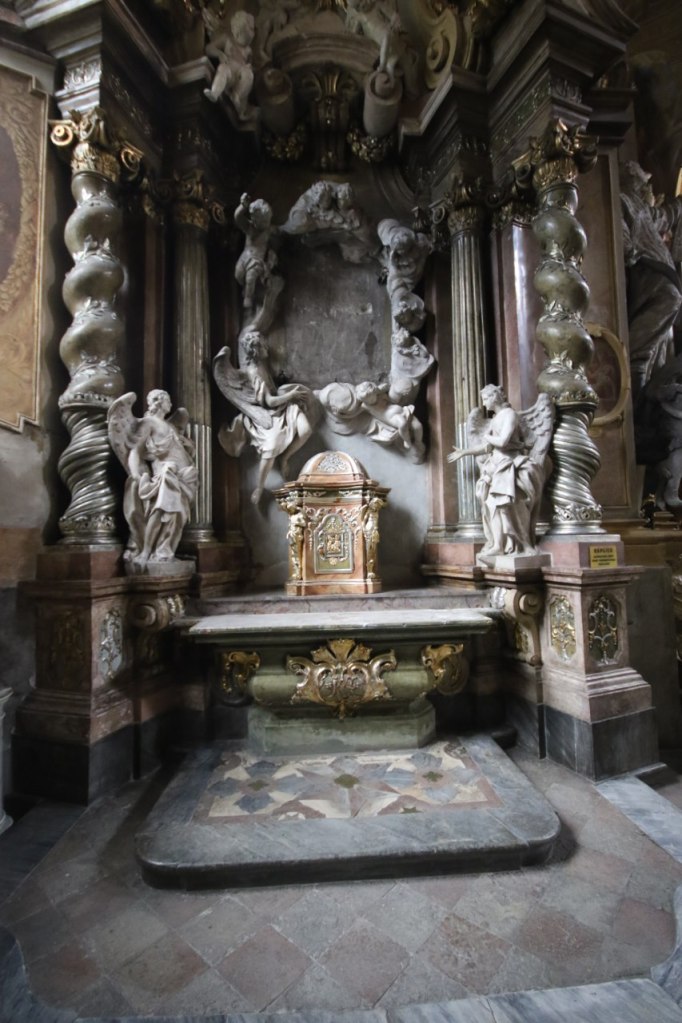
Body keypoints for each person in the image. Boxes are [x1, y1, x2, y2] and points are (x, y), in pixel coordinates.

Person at [448, 385, 550, 560]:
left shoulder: (509, 415)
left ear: (494, 397)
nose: (484, 403)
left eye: (485, 399)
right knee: (492, 507)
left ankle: (524, 544)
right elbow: (487, 448)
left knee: (509, 507)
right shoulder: (496, 419)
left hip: (509, 466)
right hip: (494, 467)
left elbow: (502, 442)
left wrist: (487, 436)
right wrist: (465, 452)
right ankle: (497, 545)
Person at [214, 333, 315, 505]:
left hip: (283, 408)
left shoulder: (261, 365)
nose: (266, 348)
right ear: (255, 350)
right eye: (262, 345)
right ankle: (260, 487)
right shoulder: (253, 372)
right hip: (267, 413)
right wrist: (291, 395)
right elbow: (268, 401)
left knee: (306, 430)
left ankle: (285, 457)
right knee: (271, 446)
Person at [108, 390, 198, 569]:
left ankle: (164, 551)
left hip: (184, 476)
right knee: (160, 512)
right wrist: (135, 474)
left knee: (178, 516)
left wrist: (188, 447)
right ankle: (146, 551)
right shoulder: (148, 422)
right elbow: (135, 451)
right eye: (168, 400)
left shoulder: (170, 427)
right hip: (166, 473)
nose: (170, 404)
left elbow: (178, 449)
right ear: (159, 401)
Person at [620, 160, 682, 401]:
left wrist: (679, 204)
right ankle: (633, 365)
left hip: (659, 272)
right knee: (670, 299)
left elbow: (664, 217)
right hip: (646, 271)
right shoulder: (621, 199)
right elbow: (618, 230)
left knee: (661, 331)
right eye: (640, 180)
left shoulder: (641, 206)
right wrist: (631, 254)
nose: (645, 186)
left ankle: (641, 372)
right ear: (630, 177)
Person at [203, 9, 257, 120]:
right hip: (230, 70)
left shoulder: (248, 50)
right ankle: (214, 93)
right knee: (223, 69)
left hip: (240, 75)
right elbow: (209, 48)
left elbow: (250, 64)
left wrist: (249, 67)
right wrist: (219, 54)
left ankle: (236, 96)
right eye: (248, 29)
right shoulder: (226, 39)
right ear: (237, 30)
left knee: (248, 75)